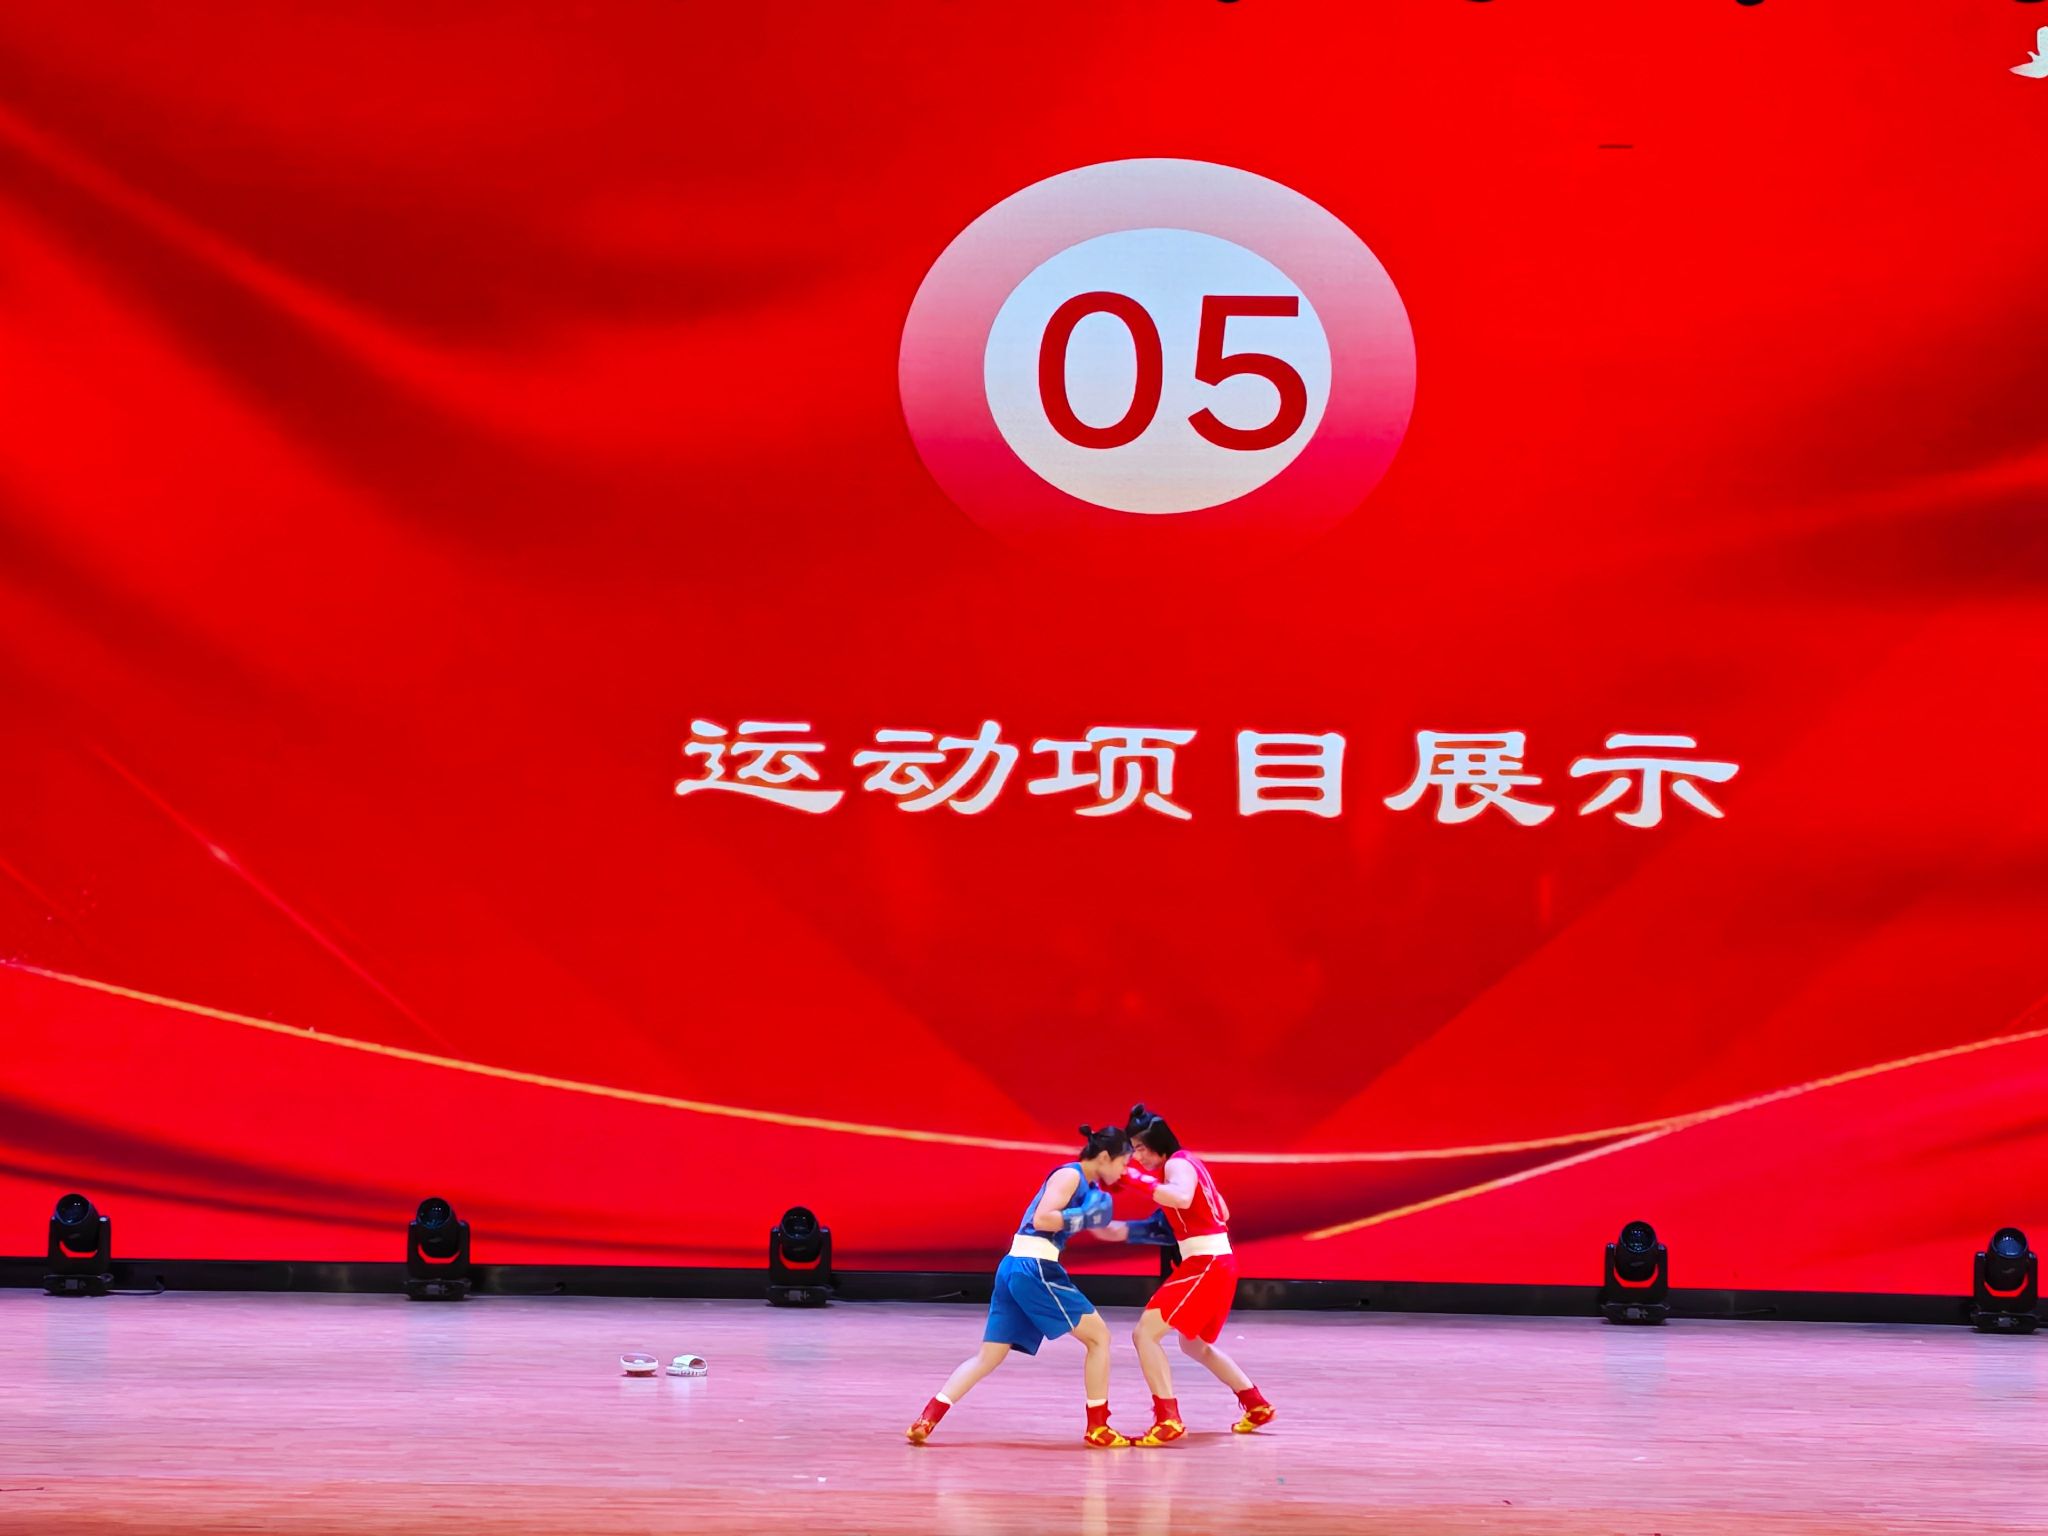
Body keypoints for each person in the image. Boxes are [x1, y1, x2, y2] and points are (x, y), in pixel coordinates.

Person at [906, 1125, 1137, 1447]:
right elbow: (1043, 1219)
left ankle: (928, 1418)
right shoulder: (1070, 1175)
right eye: (1124, 1163)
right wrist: (1083, 1216)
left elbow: (1103, 1229)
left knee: (988, 1356)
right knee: (1099, 1338)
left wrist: (1147, 1231)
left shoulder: (1087, 1186)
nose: (1124, 1171)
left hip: (1016, 1266)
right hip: (1035, 1267)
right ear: (1104, 1157)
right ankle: (1098, 1428)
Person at [1114, 1103, 1275, 1444]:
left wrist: (1132, 1179)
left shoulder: (1177, 1164)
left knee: (1145, 1335)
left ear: (1158, 1143)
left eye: (1141, 1149)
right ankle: (1255, 1404)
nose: (1137, 1157)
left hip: (1206, 1262)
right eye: (1134, 1150)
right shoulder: (1189, 1163)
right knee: (1193, 1345)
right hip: (1216, 1260)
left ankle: (1168, 1419)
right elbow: (1223, 1211)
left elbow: (1184, 1199)